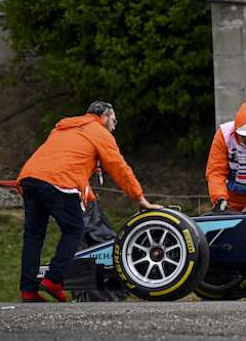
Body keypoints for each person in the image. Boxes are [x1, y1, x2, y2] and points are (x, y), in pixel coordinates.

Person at [16, 101, 162, 303]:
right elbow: (119, 168)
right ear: (104, 116)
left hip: (29, 179)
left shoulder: (64, 128)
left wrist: (88, 196)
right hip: (59, 183)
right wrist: (140, 198)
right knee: (75, 230)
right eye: (114, 120)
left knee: (33, 236)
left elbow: (65, 162)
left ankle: (28, 290)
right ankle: (54, 279)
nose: (115, 125)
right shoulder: (100, 133)